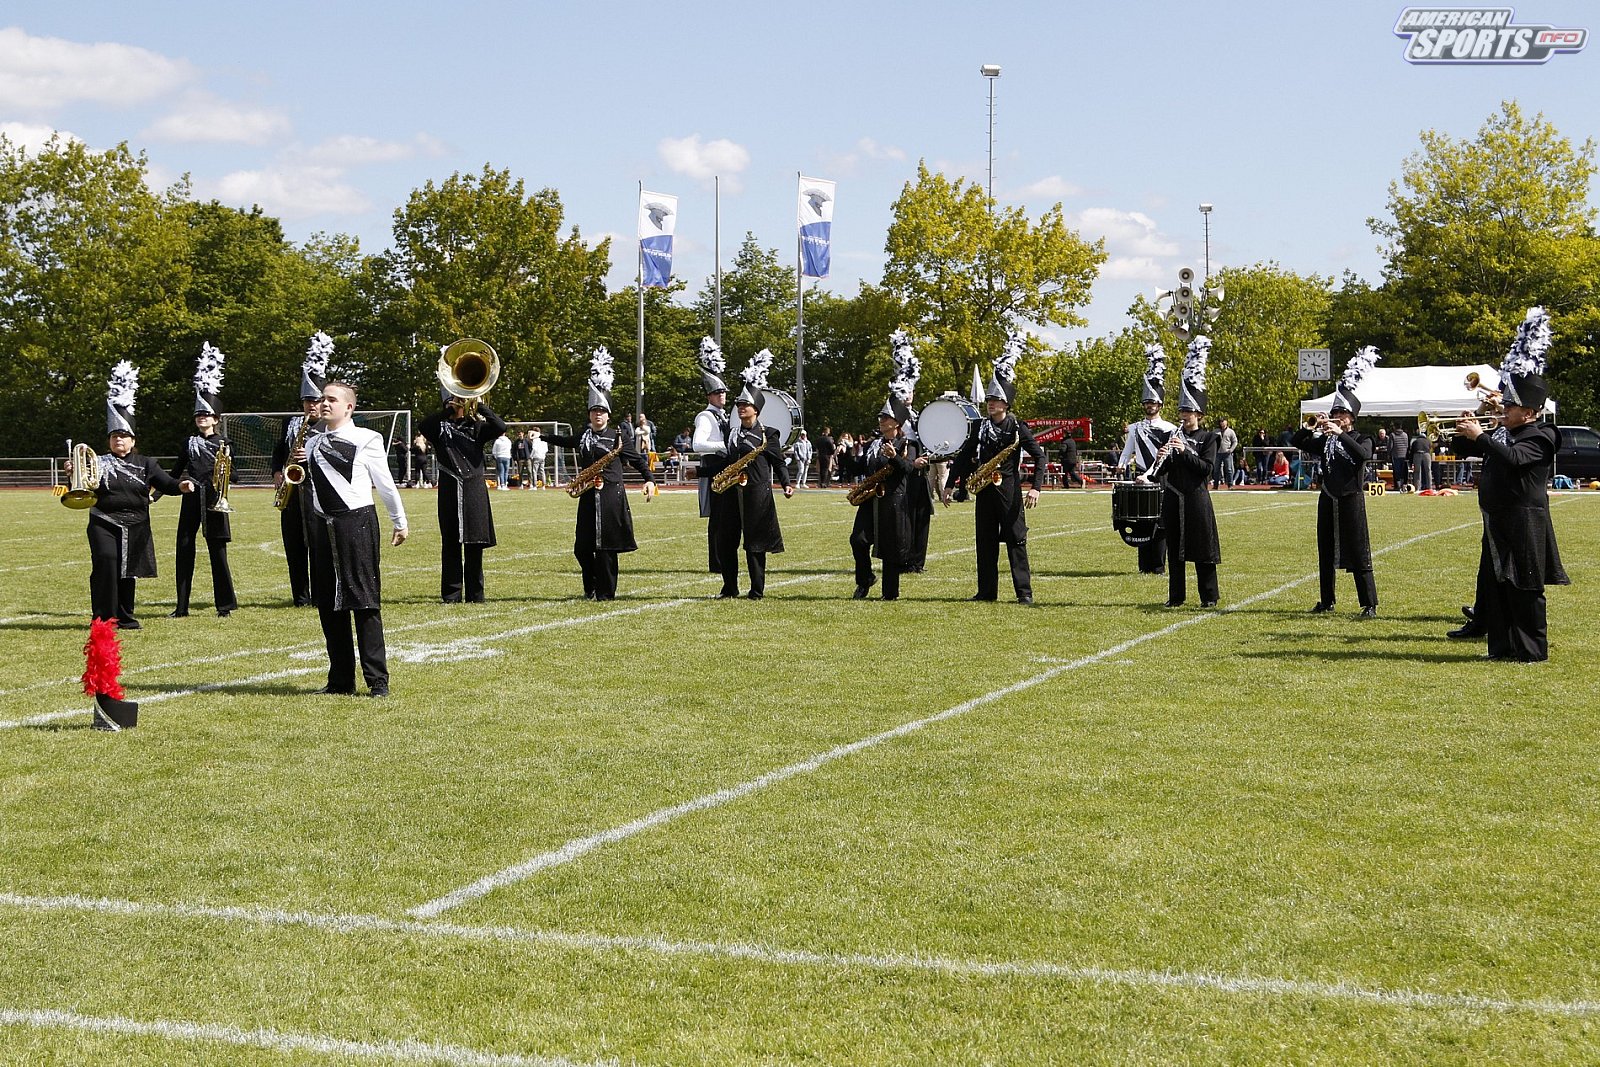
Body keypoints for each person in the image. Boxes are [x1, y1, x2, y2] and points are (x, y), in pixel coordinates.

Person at [1450, 307, 1568, 661]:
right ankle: (1500, 648)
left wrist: (1484, 437)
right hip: (1498, 516)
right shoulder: (1504, 430)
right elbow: (1463, 449)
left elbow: (1516, 460)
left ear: (1529, 412)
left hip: (1526, 518)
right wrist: (1468, 431)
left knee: (1525, 585)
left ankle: (1532, 650)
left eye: (1510, 405)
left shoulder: (1542, 434)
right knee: (1498, 583)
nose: (1502, 408)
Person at [296, 381, 407, 697]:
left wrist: (399, 522)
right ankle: (340, 681)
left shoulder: (367, 438)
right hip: (323, 527)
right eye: (323, 399)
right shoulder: (314, 442)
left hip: (356, 524)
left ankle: (377, 682)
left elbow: (384, 483)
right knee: (329, 606)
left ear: (349, 407)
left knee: (364, 601)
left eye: (332, 399)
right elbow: (316, 489)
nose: (325, 403)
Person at [545, 348, 657, 600]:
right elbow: (565, 440)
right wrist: (541, 435)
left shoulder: (618, 437)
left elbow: (637, 460)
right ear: (589, 414)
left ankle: (606, 592)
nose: (598, 415)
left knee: (606, 548)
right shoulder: (584, 436)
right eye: (594, 411)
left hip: (610, 495)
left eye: (602, 411)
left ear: (608, 414)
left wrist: (650, 480)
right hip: (587, 494)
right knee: (582, 548)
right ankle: (591, 586)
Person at [85, 362, 191, 629]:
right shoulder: (96, 461)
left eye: (123, 436)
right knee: (107, 563)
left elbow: (166, 483)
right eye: (114, 436)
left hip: (135, 523)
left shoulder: (146, 463)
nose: (118, 440)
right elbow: (82, 484)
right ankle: (103, 617)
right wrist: (73, 470)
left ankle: (124, 616)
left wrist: (182, 486)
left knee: (127, 570)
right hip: (104, 521)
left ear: (133, 440)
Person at [942, 333, 1045, 604]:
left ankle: (1024, 593)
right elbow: (964, 458)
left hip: (1009, 493)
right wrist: (950, 484)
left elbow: (1040, 457)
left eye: (996, 399)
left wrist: (1035, 488)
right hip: (984, 492)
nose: (991, 403)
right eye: (989, 398)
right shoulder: (977, 427)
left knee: (1016, 542)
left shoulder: (1017, 427)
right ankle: (986, 592)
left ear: (1006, 404)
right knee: (985, 544)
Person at [1291, 346, 1381, 618]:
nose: (1337, 416)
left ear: (1352, 417)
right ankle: (1326, 599)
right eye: (1335, 411)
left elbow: (1363, 455)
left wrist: (1340, 433)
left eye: (1343, 412)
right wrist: (1309, 428)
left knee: (1358, 550)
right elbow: (1297, 443)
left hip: (1351, 498)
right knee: (1325, 551)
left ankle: (1369, 603)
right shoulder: (1326, 440)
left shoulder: (1362, 438)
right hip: (1327, 497)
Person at [1145, 336, 1221, 608]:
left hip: (1196, 497)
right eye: (1181, 410)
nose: (1184, 415)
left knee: (1202, 548)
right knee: (1175, 549)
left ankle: (1209, 597)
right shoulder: (1174, 435)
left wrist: (1185, 452)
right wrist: (1162, 458)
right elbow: (1159, 473)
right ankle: (1176, 596)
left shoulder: (1209, 438)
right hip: (1174, 497)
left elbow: (1206, 469)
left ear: (1199, 413)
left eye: (1188, 410)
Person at [714, 352, 794, 599]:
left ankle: (756, 589)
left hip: (757, 493)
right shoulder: (732, 433)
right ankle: (729, 587)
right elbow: (726, 459)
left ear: (756, 410)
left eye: (744, 405)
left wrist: (786, 483)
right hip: (731, 494)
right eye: (738, 405)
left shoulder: (769, 434)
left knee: (755, 544)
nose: (740, 409)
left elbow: (778, 462)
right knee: (725, 541)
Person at [168, 343, 238, 618]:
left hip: (214, 500)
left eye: (207, 415)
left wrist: (223, 482)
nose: (202, 418)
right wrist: (155, 493)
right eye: (199, 415)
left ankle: (225, 605)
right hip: (191, 499)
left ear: (216, 419)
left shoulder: (225, 443)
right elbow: (174, 474)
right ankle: (181, 606)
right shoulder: (189, 443)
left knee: (218, 554)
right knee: (184, 551)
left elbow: (233, 474)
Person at [419, 390, 506, 604]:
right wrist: (449, 408)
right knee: (450, 543)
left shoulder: (476, 427)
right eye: (452, 399)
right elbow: (424, 425)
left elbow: (501, 427)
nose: (457, 403)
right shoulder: (438, 429)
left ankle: (476, 595)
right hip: (449, 488)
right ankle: (451, 595)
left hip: (473, 489)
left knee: (474, 544)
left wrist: (478, 405)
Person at [851, 382, 928, 600]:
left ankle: (890, 593)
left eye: (885, 417)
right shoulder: (873, 444)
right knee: (858, 540)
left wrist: (894, 456)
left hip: (893, 500)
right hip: (870, 499)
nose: (881, 421)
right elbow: (860, 468)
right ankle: (865, 579)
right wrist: (848, 455)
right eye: (881, 417)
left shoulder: (907, 444)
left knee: (890, 548)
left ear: (896, 423)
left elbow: (907, 469)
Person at [272, 334, 330, 606]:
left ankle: (321, 593)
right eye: (307, 400)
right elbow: (278, 452)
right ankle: (300, 596)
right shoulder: (291, 424)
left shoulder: (331, 425)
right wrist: (277, 472)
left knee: (320, 544)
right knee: (294, 543)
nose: (311, 405)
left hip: (319, 491)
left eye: (316, 400)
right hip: (292, 491)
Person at [1117, 343, 1176, 575]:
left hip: (1159, 476)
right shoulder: (1136, 428)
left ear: (1160, 404)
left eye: (1153, 403)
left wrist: (1150, 474)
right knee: (1140, 519)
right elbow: (1127, 449)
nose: (1149, 406)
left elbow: (1166, 456)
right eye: (1146, 403)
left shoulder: (1170, 428)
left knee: (1159, 522)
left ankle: (1159, 565)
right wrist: (1121, 465)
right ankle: (1144, 565)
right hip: (1139, 475)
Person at [690, 337, 731, 572]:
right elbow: (697, 444)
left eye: (723, 392)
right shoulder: (705, 416)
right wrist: (721, 446)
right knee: (717, 519)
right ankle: (716, 562)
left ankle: (723, 558)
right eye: (717, 393)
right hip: (715, 471)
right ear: (709, 396)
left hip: (725, 470)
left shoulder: (723, 415)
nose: (721, 396)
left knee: (726, 518)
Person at [1212, 417, 1238, 489]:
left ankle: (1230, 485)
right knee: (1216, 469)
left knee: (1229, 469)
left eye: (1223, 421)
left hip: (1227, 453)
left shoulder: (1231, 431)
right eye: (1221, 422)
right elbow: (1211, 441)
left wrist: (1231, 449)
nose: (1222, 423)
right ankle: (1215, 485)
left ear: (1226, 422)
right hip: (1218, 453)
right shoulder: (1215, 431)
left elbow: (1235, 441)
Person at [1389, 422, 1411, 491]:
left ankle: (1397, 486)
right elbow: (1407, 446)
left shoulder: (1392, 435)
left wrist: (1388, 454)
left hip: (1396, 455)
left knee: (1396, 471)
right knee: (1404, 471)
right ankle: (1403, 486)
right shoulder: (1405, 435)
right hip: (1404, 455)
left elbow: (1390, 446)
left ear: (1395, 427)